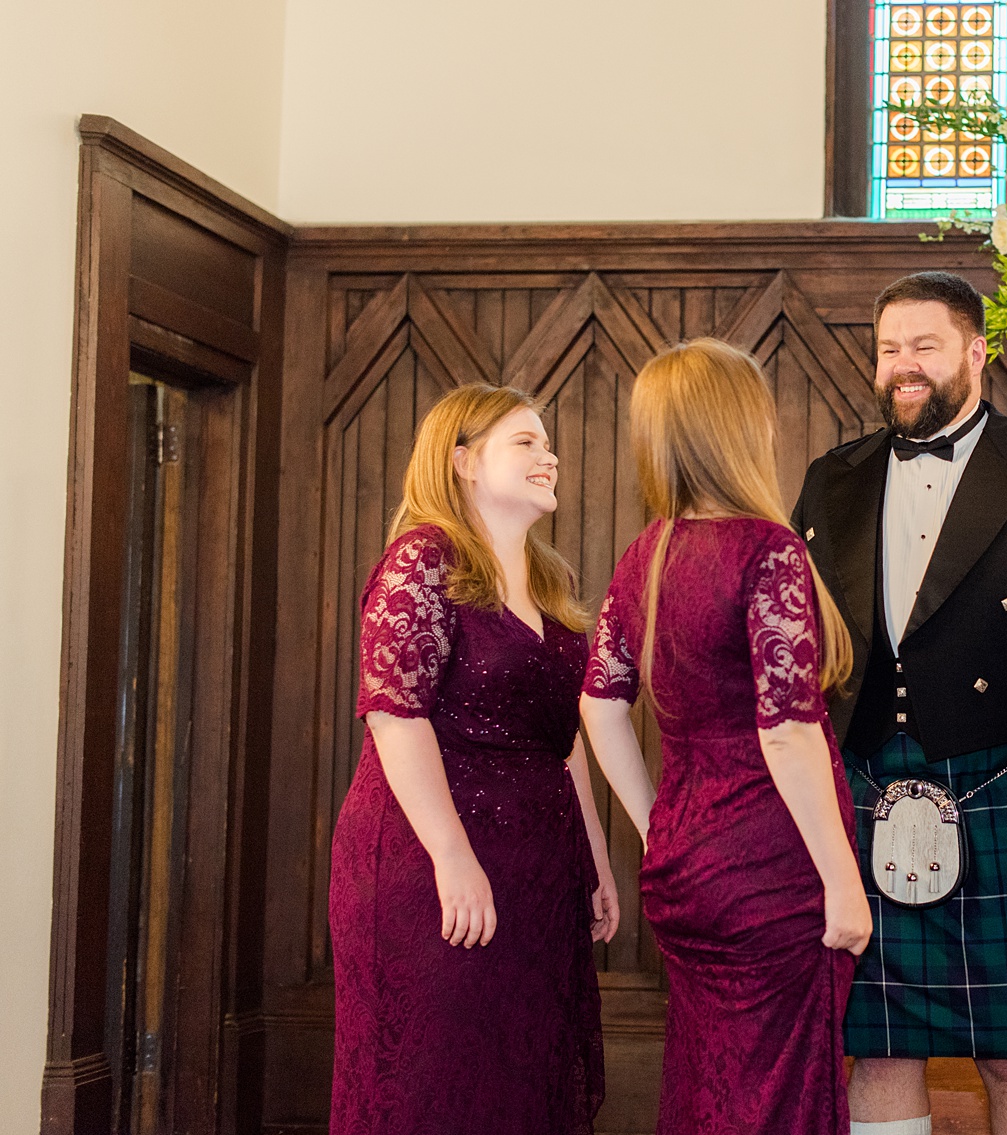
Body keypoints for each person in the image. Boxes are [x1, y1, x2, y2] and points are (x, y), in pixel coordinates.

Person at [791, 271, 1007, 1135]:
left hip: (1003, 789)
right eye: (889, 349)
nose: (903, 365)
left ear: (976, 351)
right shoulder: (834, 479)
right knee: (881, 1044)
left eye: (924, 346)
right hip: (864, 781)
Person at [578, 338, 871, 1135]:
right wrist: (843, 880)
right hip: (772, 867)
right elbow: (787, 732)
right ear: (740, 426)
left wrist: (657, 825)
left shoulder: (646, 553)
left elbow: (599, 706)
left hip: (686, 866)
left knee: (709, 1085)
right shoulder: (766, 548)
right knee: (778, 1096)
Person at [328, 384, 617, 1135]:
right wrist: (453, 857)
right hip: (431, 864)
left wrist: (594, 856)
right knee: (439, 1086)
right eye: (526, 441)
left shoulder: (550, 580)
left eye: (548, 443)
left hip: (537, 871)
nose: (548, 456)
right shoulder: (422, 558)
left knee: (521, 1086)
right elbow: (394, 714)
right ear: (461, 460)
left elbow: (563, 737)